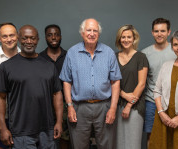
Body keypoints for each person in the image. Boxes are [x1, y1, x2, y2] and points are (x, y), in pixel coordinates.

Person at [0, 25, 63, 149]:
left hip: (47, 130)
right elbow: (0, 98)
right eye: (25, 38)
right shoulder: (6, 67)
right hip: (20, 132)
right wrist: (3, 128)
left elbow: (57, 94)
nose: (29, 41)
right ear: (19, 39)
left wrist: (58, 122)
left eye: (32, 38)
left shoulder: (49, 66)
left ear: (38, 39)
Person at [59, 18, 122, 149]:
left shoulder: (108, 52)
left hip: (104, 106)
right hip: (79, 107)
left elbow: (115, 81)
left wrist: (113, 108)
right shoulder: (72, 53)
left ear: (99, 33)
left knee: (106, 145)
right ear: (82, 33)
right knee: (79, 145)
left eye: (95, 30)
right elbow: (66, 81)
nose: (92, 33)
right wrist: (69, 106)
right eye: (88, 30)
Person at [141, 18, 176, 147]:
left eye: (162, 31)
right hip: (151, 101)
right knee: (152, 135)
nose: (159, 34)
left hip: (173, 101)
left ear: (169, 32)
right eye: (156, 31)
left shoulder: (176, 51)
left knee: (172, 135)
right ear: (152, 32)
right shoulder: (145, 54)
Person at [115, 25, 148, 149]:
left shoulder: (141, 57)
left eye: (129, 37)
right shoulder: (114, 57)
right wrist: (123, 94)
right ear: (119, 39)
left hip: (135, 105)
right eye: (123, 37)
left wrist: (129, 105)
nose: (126, 40)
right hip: (116, 104)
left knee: (132, 144)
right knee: (118, 143)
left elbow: (142, 84)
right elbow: (110, 82)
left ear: (134, 39)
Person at [40, 24, 69, 149]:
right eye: (50, 35)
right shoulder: (39, 59)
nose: (53, 37)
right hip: (45, 105)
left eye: (56, 34)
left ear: (60, 36)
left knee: (65, 139)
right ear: (45, 37)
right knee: (47, 140)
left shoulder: (69, 56)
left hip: (67, 105)